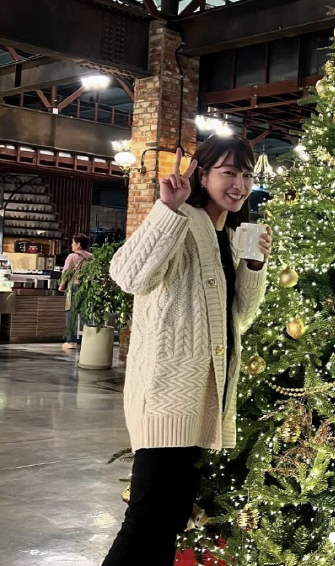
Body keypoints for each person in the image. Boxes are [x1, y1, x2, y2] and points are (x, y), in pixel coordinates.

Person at [103, 135, 271, 566]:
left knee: (169, 518)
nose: (239, 184)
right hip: (166, 395)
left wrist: (253, 266)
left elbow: (241, 318)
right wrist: (168, 207)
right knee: (147, 518)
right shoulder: (186, 220)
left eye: (247, 175)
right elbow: (127, 274)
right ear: (203, 173)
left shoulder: (229, 236)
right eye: (229, 172)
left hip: (200, 399)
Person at [58, 233, 92, 351]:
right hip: (87, 287)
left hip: (74, 287)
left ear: (78, 244)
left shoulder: (72, 257)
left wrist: (62, 285)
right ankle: (88, 340)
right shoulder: (91, 257)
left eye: (73, 243)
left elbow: (66, 273)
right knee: (85, 314)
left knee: (70, 314)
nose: (72, 245)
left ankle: (71, 341)